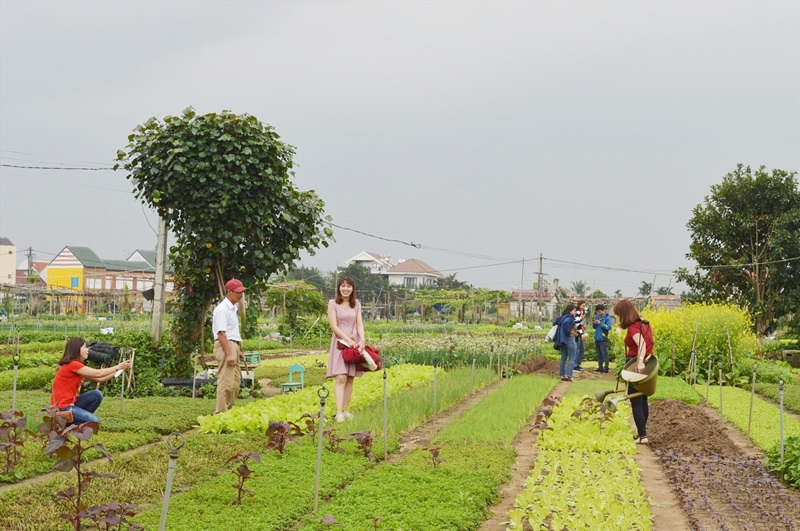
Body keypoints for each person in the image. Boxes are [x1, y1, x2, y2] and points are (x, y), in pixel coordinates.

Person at [51, 337, 131, 426]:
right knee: (94, 422)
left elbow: (99, 379)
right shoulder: (73, 364)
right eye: (85, 347)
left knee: (97, 394)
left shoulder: (76, 365)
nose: (88, 350)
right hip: (63, 407)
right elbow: (98, 373)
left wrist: (119, 371)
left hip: (71, 403)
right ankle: (66, 422)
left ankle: (74, 421)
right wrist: (118, 367)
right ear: (77, 349)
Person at [613, 299, 654, 444]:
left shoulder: (633, 328)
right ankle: (641, 433)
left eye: (618, 315)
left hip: (635, 365)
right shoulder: (645, 324)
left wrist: (640, 361)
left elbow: (641, 344)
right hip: (648, 365)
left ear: (623, 314)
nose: (618, 319)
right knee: (643, 398)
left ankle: (643, 436)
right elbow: (649, 342)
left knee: (635, 400)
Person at [326, 276, 365, 423]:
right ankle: (339, 412)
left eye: (348, 286)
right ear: (339, 288)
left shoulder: (357, 305)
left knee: (350, 378)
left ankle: (346, 409)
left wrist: (362, 339)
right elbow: (334, 326)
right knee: (340, 377)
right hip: (340, 343)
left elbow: (359, 323)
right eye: (343, 286)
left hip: (354, 344)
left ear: (353, 289)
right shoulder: (332, 304)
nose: (345, 289)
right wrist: (347, 340)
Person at [213, 278, 247, 414]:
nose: (241, 295)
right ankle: (221, 412)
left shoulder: (233, 309)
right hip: (226, 346)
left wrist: (238, 351)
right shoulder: (222, 309)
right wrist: (229, 352)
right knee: (226, 382)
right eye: (238, 292)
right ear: (229, 292)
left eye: (242, 292)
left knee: (234, 383)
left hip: (233, 345)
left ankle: (229, 410)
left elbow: (232, 333)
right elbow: (221, 333)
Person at [553, 303, 578, 382]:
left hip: (562, 340)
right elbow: (565, 324)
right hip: (570, 339)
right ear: (570, 311)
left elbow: (554, 323)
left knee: (563, 358)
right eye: (574, 311)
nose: (575, 312)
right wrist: (569, 332)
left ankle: (561, 374)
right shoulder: (569, 318)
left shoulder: (562, 317)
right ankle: (569, 375)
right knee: (572, 358)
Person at [592, 304, 613, 373]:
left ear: (603, 310)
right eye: (597, 312)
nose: (598, 313)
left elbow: (608, 327)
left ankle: (606, 368)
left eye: (600, 311)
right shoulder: (597, 317)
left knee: (604, 354)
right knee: (599, 354)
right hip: (597, 338)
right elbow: (594, 327)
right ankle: (600, 367)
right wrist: (594, 323)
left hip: (603, 338)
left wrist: (601, 323)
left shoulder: (607, 317)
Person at [572, 300, 588, 372]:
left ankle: (578, 364)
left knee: (582, 348)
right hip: (578, 333)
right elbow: (577, 324)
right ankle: (574, 365)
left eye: (584, 306)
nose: (583, 307)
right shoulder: (577, 312)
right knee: (577, 349)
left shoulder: (582, 312)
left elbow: (588, 309)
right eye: (582, 306)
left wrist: (584, 310)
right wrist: (581, 334)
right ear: (579, 305)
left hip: (581, 332)